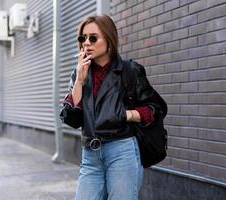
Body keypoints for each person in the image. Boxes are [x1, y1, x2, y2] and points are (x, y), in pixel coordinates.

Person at [60, 15, 162, 200]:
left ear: (109, 39)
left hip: (121, 150)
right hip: (90, 155)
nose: (86, 43)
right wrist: (80, 82)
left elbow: (155, 108)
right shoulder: (79, 73)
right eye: (83, 38)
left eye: (93, 38)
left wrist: (126, 115)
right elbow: (73, 118)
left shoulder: (129, 70)